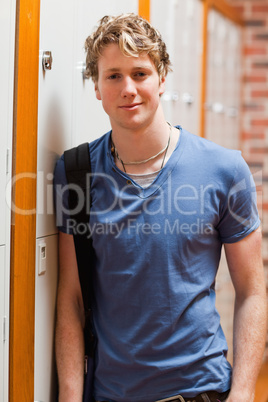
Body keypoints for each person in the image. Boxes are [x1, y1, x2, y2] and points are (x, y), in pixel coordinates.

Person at [53, 13, 267, 402]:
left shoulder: (224, 169)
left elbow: (252, 290)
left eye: (140, 73)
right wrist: (70, 395)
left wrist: (244, 392)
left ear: (162, 78)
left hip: (202, 393)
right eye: (113, 75)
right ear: (97, 87)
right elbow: (71, 297)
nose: (128, 88)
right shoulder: (76, 173)